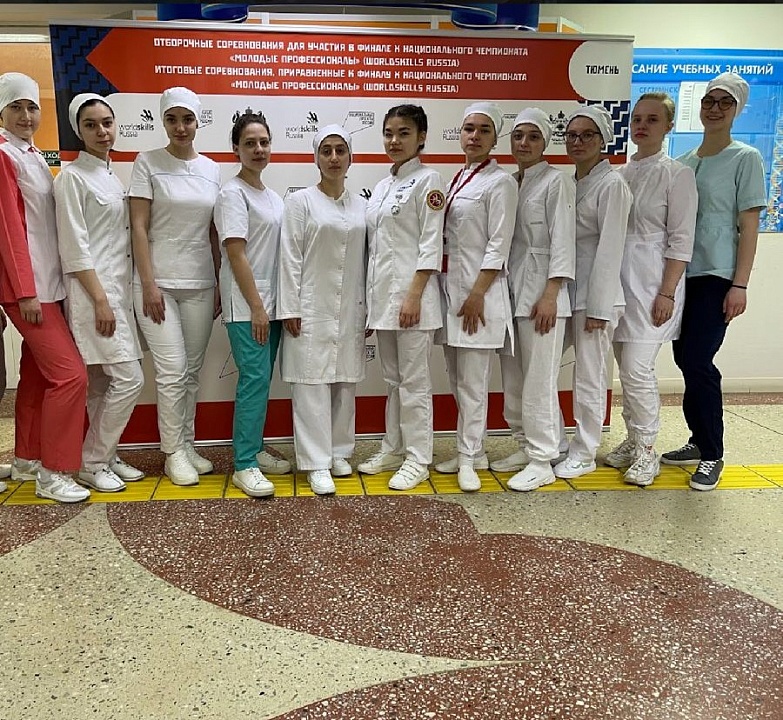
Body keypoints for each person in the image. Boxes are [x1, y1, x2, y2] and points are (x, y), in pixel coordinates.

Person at [662, 73, 765, 491]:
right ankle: (697, 439)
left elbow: (749, 225)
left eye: (725, 102)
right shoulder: (685, 161)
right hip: (681, 275)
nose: (715, 109)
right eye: (709, 101)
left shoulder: (746, 158)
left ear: (737, 109)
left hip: (717, 275)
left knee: (698, 360)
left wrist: (740, 285)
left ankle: (712, 453)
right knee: (683, 357)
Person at [0, 72, 89, 503]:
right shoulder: (4, 156)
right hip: (29, 290)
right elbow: (9, 229)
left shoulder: (32, 155)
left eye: (32, 107)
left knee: (37, 376)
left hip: (49, 285)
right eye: (15, 107)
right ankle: (54, 473)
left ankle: (27, 458)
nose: (26, 115)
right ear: (1, 111)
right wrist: (25, 292)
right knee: (71, 376)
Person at [54, 93, 146, 493]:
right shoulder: (72, 179)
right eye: (91, 125)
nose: (102, 131)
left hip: (116, 293)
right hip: (93, 295)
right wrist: (100, 300)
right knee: (129, 379)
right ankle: (92, 460)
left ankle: (104, 455)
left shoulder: (110, 175)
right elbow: (74, 247)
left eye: (107, 123)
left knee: (101, 384)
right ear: (79, 131)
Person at [129, 86, 220, 486]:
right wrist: (149, 285)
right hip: (157, 284)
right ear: (163, 122)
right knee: (172, 371)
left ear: (198, 122)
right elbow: (138, 226)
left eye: (187, 119)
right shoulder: (147, 162)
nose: (180, 127)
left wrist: (218, 282)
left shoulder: (212, 169)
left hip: (200, 281)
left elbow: (214, 232)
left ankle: (187, 443)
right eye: (172, 119)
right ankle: (172, 453)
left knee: (192, 372)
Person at [606, 93, 697, 486]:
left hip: (654, 285)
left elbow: (681, 240)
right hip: (617, 286)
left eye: (653, 119)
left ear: (668, 126)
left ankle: (647, 450)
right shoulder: (620, 174)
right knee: (625, 370)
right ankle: (632, 438)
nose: (642, 125)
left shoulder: (677, 175)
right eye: (637, 119)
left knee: (637, 369)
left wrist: (667, 292)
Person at [358, 105, 445, 490]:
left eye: (404, 133)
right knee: (393, 380)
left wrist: (413, 296)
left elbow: (431, 243)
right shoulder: (381, 187)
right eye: (389, 133)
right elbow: (378, 251)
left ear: (421, 137)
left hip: (414, 302)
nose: (394, 140)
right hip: (383, 301)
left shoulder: (429, 181)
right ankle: (393, 447)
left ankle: (418, 458)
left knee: (414, 382)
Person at [277, 124, 367, 495]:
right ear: (316, 158)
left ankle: (339, 451)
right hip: (309, 305)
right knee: (311, 384)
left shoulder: (361, 205)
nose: (333, 158)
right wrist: (289, 306)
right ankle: (316, 462)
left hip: (350, 305)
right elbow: (289, 256)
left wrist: (368, 307)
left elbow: (369, 260)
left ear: (350, 158)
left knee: (345, 380)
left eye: (340, 150)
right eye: (326, 151)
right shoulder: (300, 203)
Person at [434, 102, 517, 492]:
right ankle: (475, 450)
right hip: (452, 292)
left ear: (495, 138)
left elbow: (499, 244)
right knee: (456, 378)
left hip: (478, 298)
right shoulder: (459, 177)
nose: (475, 136)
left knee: (473, 383)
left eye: (484, 130)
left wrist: (477, 293)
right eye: (469, 128)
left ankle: (468, 460)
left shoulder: (500, 183)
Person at [492, 108, 576, 491]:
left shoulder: (557, 182)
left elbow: (563, 241)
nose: (524, 143)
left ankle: (542, 460)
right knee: (514, 378)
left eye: (533, 136)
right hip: (511, 292)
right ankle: (530, 445)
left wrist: (551, 294)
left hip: (544, 295)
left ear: (545, 142)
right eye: (518, 136)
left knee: (539, 380)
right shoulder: (511, 182)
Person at [553, 105, 632, 480]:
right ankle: (554, 442)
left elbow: (611, 248)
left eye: (587, 135)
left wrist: (599, 307)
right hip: (566, 294)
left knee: (589, 376)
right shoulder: (569, 183)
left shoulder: (612, 184)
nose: (578, 141)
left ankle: (584, 451)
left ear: (604, 141)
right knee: (542, 368)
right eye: (572, 135)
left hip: (595, 298)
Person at [214, 112, 289, 499]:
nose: (258, 149)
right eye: (249, 143)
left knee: (262, 381)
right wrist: (257, 308)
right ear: (236, 149)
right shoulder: (232, 194)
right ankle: (244, 464)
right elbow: (236, 253)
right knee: (254, 379)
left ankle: (255, 449)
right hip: (247, 307)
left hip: (271, 304)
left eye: (263, 142)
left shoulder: (272, 197)